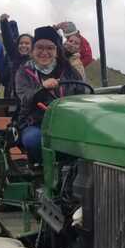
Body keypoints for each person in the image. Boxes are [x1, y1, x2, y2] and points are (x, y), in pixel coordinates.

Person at [15, 26, 84, 163]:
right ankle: (44, 168)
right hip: (35, 123)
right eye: (40, 47)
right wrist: (43, 88)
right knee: (33, 139)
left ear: (56, 51)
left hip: (67, 123)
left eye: (50, 48)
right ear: (33, 50)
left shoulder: (70, 71)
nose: (44, 52)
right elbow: (25, 99)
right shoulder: (24, 72)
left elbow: (82, 95)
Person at [0, 13, 33, 98]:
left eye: (27, 43)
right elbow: (7, 40)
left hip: (30, 98)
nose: (23, 45)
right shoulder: (14, 56)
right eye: (21, 43)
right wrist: (4, 23)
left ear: (32, 46)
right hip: (12, 97)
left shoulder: (36, 60)